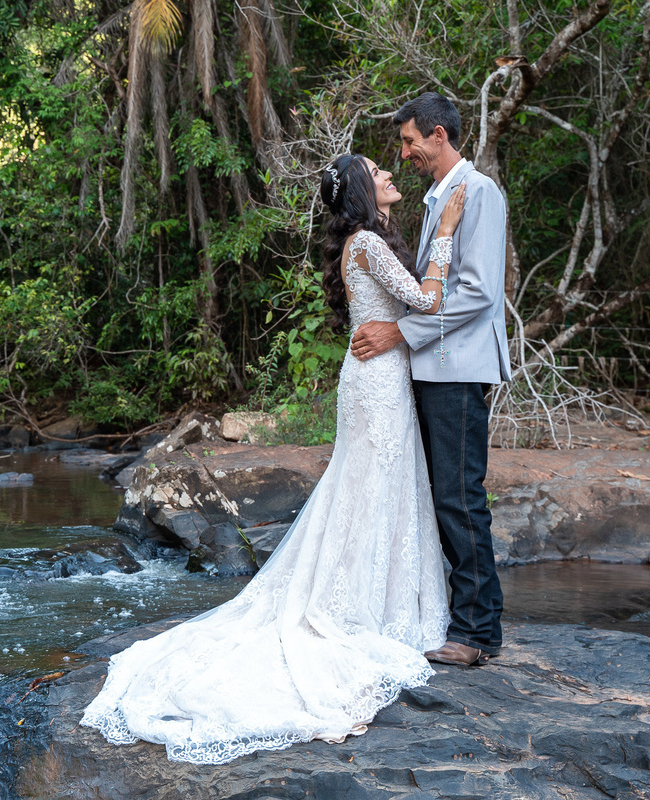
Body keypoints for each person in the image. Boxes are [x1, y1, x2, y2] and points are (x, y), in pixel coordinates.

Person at [79, 153, 467, 764]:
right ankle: (362, 610)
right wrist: (444, 236)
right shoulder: (365, 241)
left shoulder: (369, 241)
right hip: (376, 382)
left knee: (377, 487)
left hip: (380, 377)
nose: (391, 174)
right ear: (366, 191)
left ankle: (385, 602)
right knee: (370, 487)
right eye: (378, 171)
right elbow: (424, 302)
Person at [350, 92, 510, 667]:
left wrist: (402, 334)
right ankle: (474, 623)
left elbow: (478, 292)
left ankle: (474, 632)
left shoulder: (479, 193)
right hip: (435, 367)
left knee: (460, 496)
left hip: (457, 367)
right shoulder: (439, 197)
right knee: (446, 495)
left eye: (410, 141)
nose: (405, 153)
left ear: (439, 136)